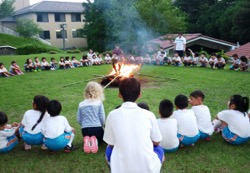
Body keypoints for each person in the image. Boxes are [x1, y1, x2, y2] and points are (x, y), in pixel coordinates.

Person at [103, 78, 164, 173]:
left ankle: (113, 165)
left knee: (108, 149)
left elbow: (111, 143)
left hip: (120, 169)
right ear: (140, 94)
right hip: (148, 169)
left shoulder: (112, 115)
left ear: (119, 94)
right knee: (159, 149)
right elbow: (157, 141)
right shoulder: (149, 115)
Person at [77, 82, 105, 154]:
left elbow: (79, 119)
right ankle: (95, 141)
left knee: (88, 135)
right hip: (97, 129)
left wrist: (83, 124)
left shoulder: (81, 104)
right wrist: (102, 124)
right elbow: (102, 117)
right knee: (101, 139)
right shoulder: (99, 103)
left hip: (85, 130)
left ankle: (88, 140)